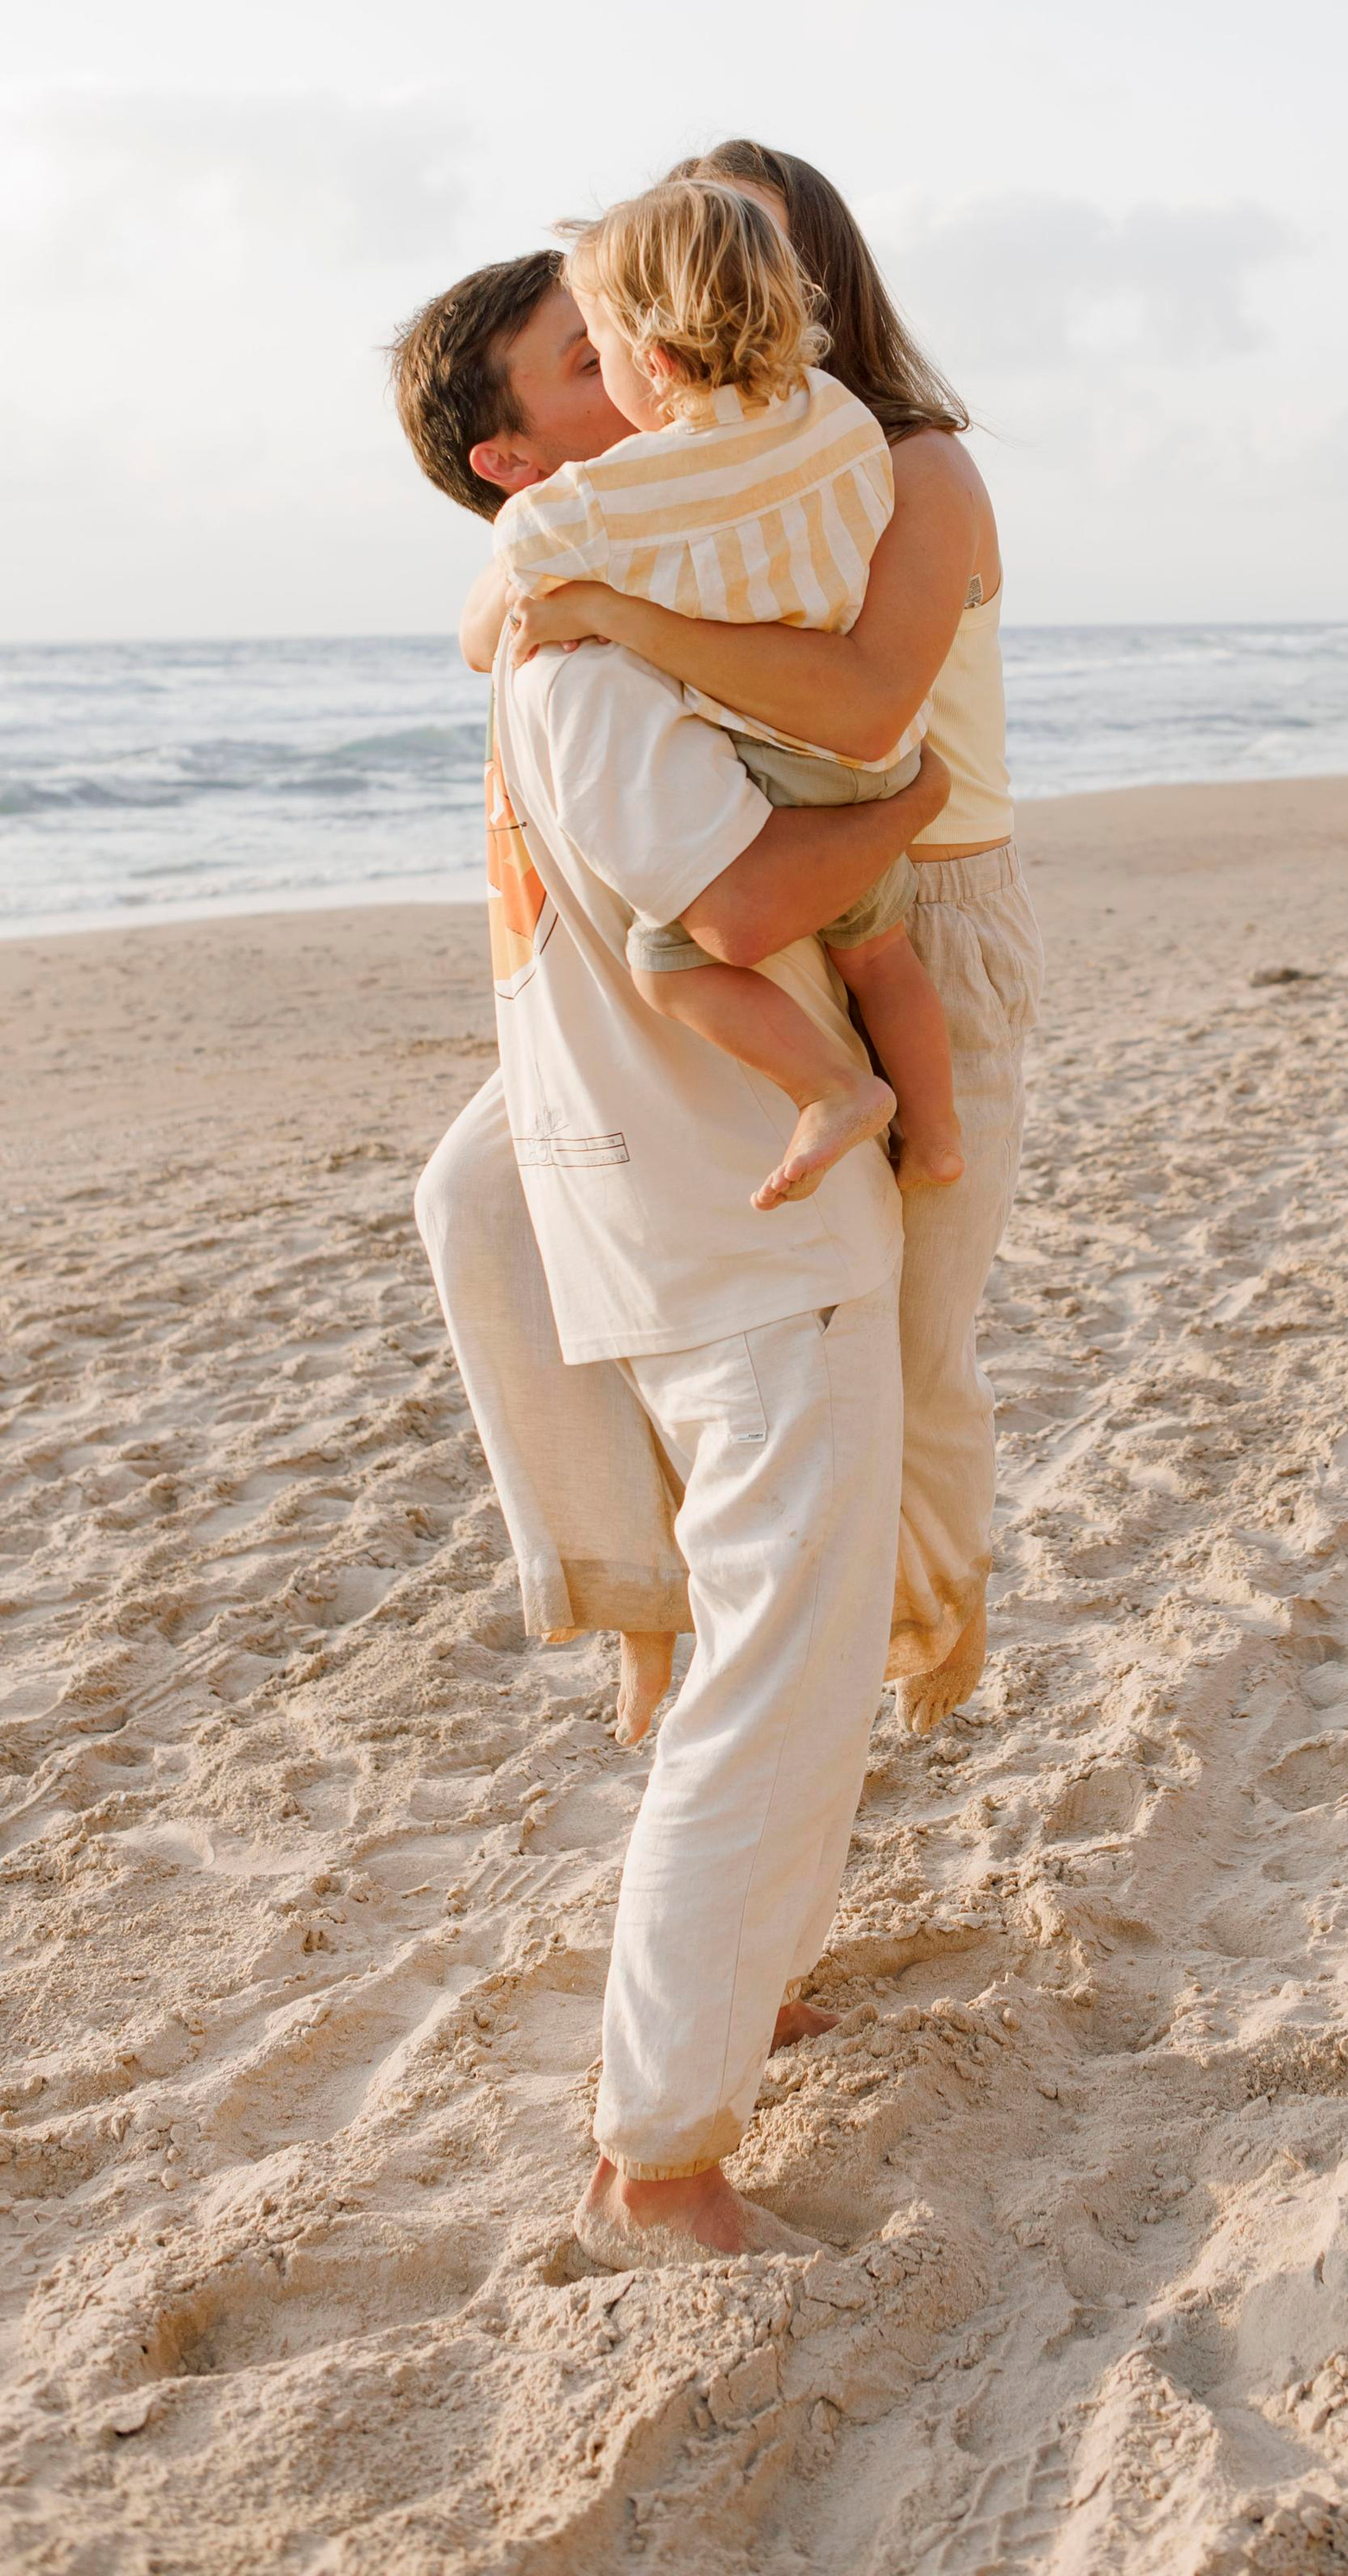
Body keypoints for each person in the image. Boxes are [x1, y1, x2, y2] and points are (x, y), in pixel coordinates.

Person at [393, 142, 1039, 1754]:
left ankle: (920, 1628)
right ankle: (646, 1595)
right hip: (748, 885)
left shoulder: (902, 463)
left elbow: (867, 710)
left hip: (912, 894)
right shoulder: (676, 469)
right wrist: (551, 569)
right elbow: (490, 615)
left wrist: (611, 608)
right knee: (481, 1199)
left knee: (905, 1344)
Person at [469, 434, 942, 2254]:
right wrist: (910, 802)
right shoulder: (588, 673)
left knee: (780, 1659)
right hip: (743, 1235)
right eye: (587, 365)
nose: (639, 403)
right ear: (514, 454)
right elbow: (741, 909)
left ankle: (736, 2001)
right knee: (775, 1684)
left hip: (678, 1220)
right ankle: (655, 2165)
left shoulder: (573, 649)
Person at [494, 174, 962, 1207]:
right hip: (873, 761)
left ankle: (835, 1088)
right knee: (882, 959)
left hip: (780, 767)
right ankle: (936, 1133)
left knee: (669, 963)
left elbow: (524, 553)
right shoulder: (834, 414)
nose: (605, 371)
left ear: (654, 362)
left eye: (601, 349)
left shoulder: (640, 491)